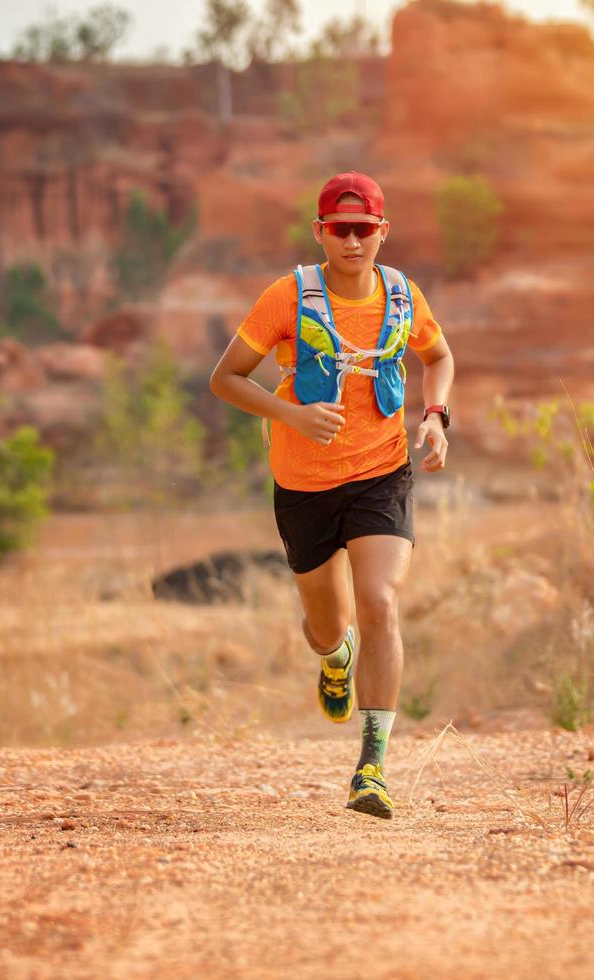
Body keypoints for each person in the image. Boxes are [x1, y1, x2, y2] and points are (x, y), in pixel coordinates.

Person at [208, 171, 455, 820]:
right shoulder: (287, 297)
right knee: (327, 627)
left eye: (364, 230)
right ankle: (336, 658)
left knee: (380, 601)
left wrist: (435, 416)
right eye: (340, 230)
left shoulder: (402, 294)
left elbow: (440, 356)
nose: (352, 241)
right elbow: (225, 378)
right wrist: (289, 416)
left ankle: (371, 767)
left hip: (382, 473)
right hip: (304, 483)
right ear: (321, 232)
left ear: (382, 232)